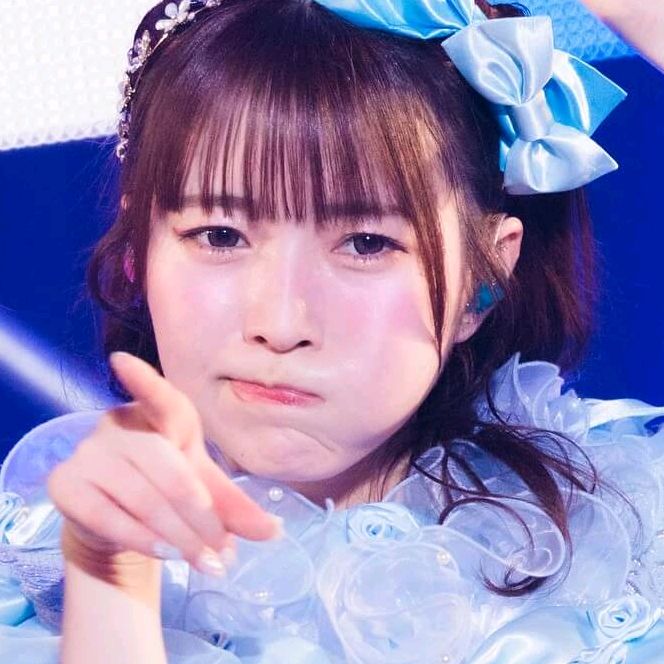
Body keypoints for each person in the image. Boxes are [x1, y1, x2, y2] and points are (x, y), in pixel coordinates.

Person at [1, 1, 663, 662]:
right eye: (220, 235)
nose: (279, 325)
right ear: (138, 250)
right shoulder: (35, 573)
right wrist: (109, 591)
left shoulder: (620, 548)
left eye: (366, 243)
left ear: (481, 279)